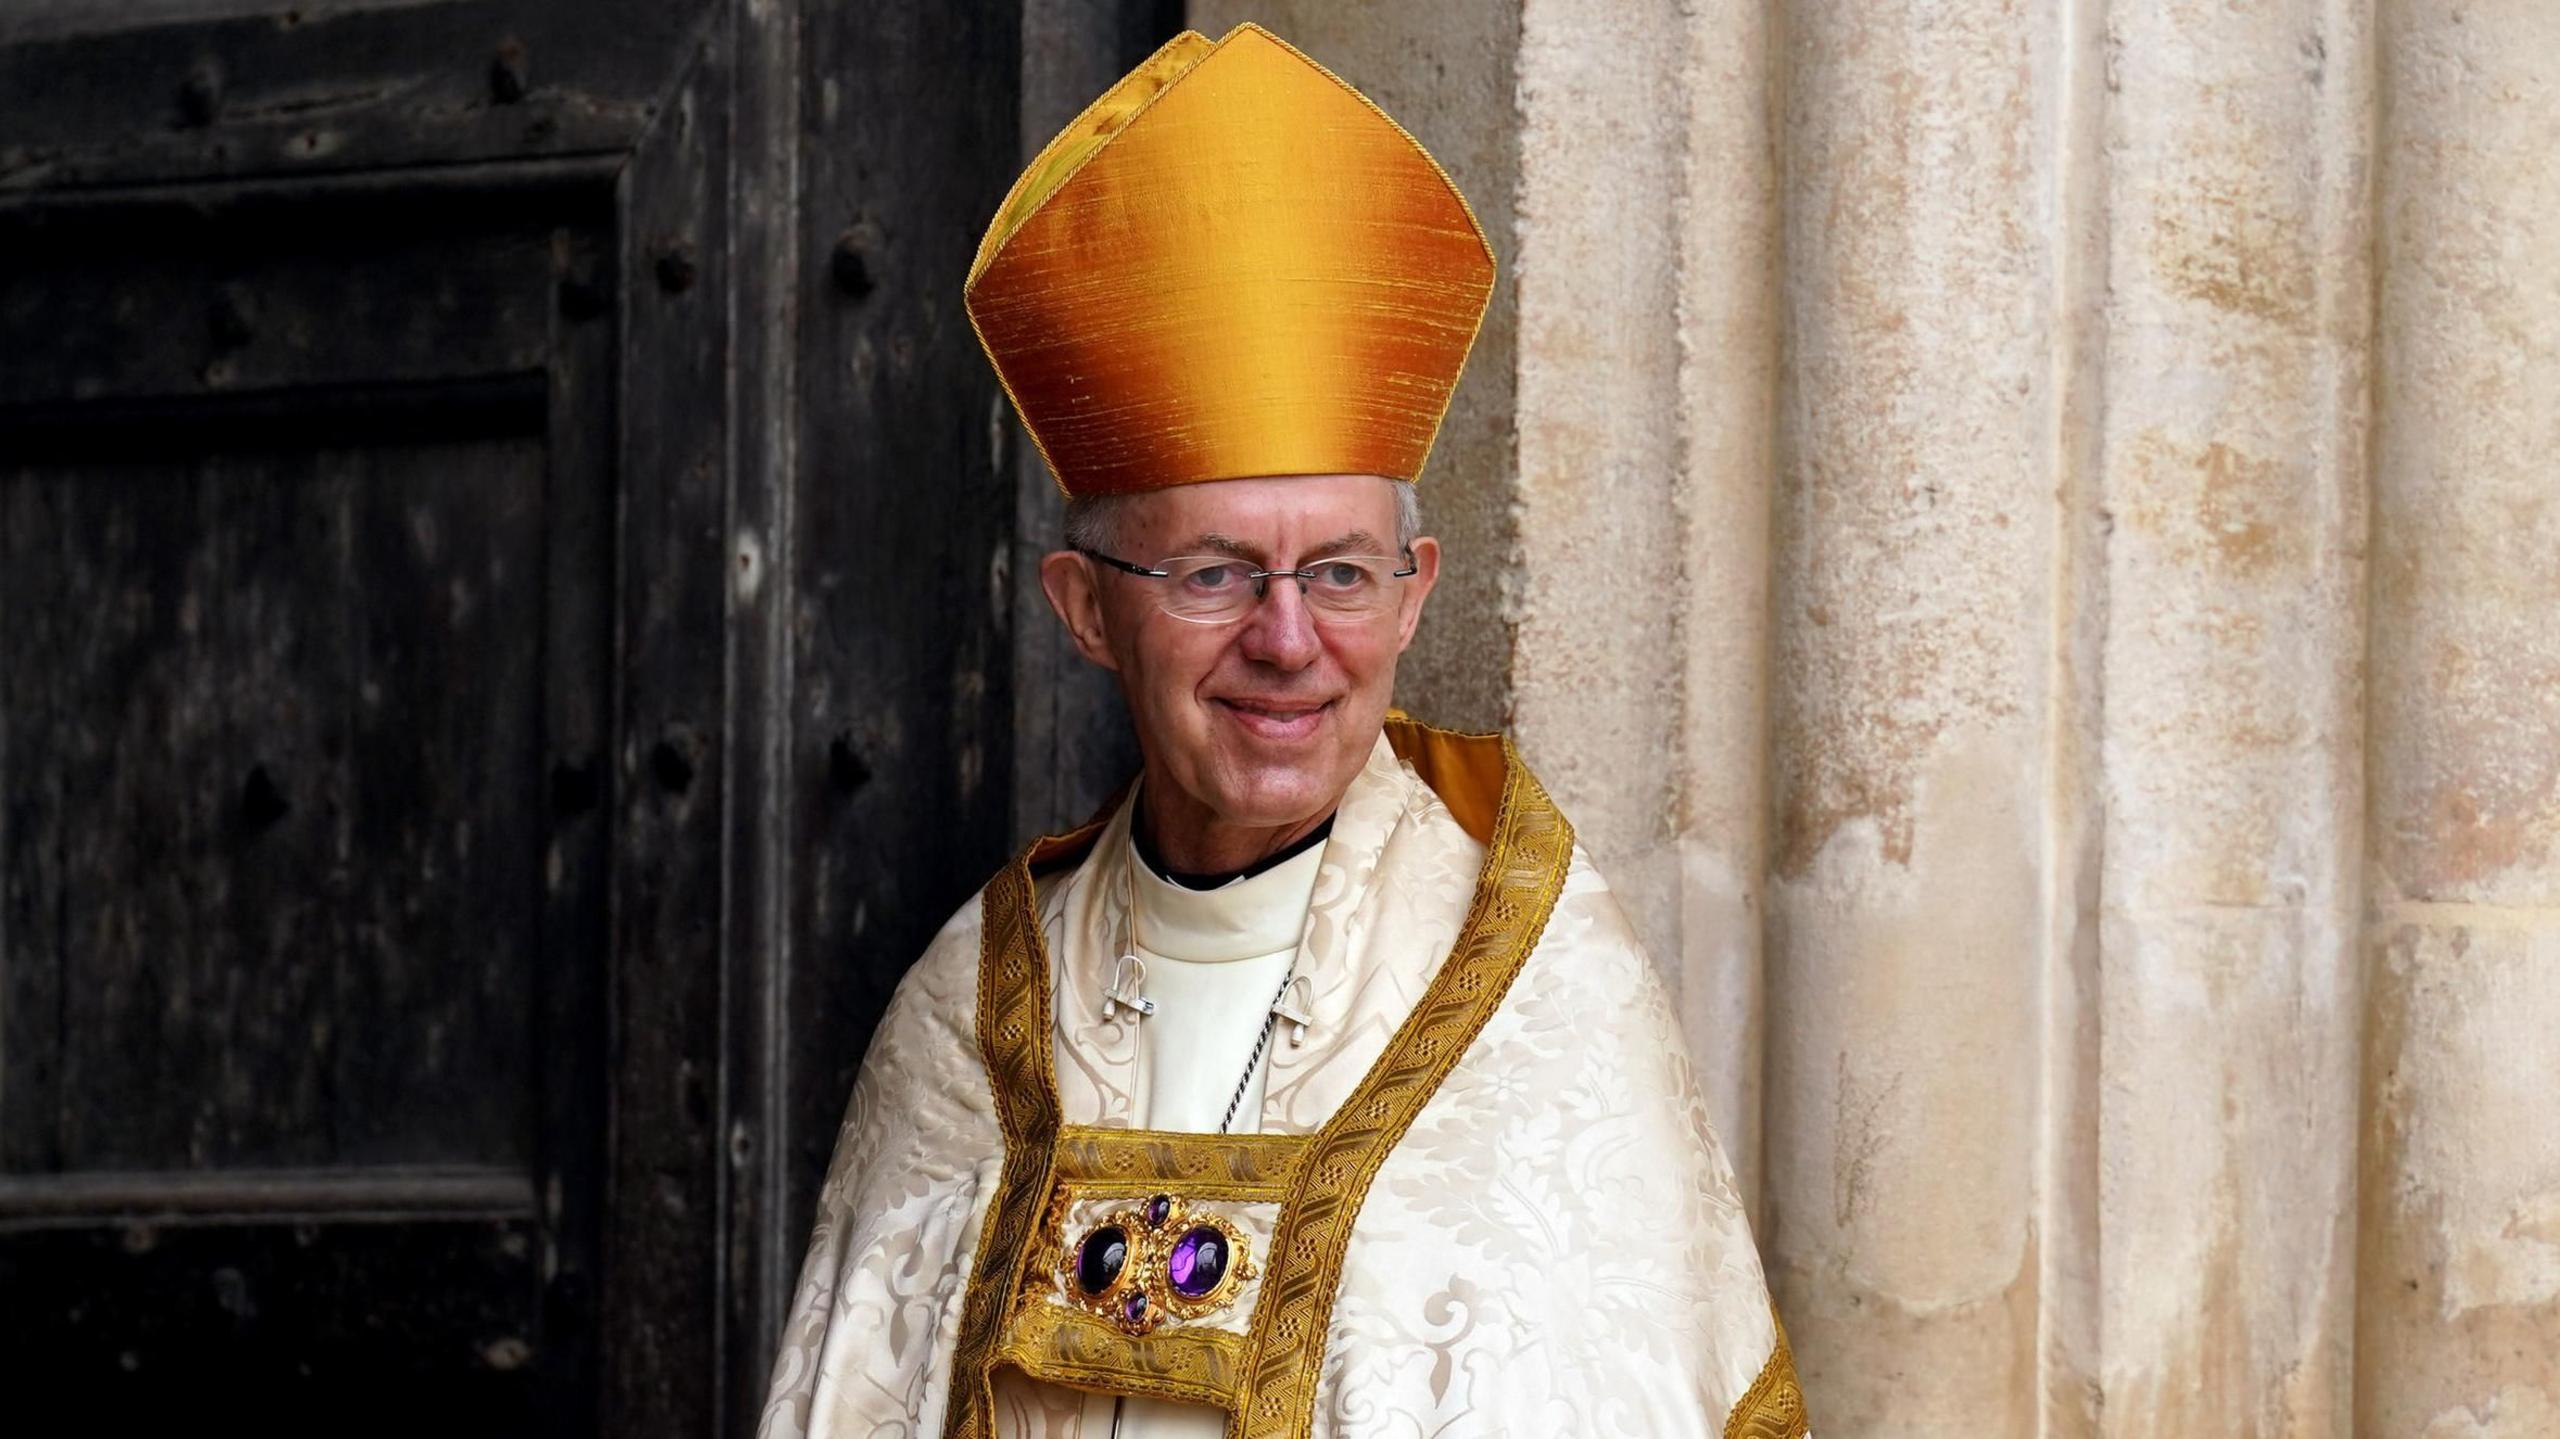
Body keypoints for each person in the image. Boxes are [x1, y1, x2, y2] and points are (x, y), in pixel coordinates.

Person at [758, 23, 1806, 1439]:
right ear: (1085, 608)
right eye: (1212, 573)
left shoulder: (1534, 992)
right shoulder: (971, 1014)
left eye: (1342, 571)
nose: (1289, 639)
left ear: (1414, 593)